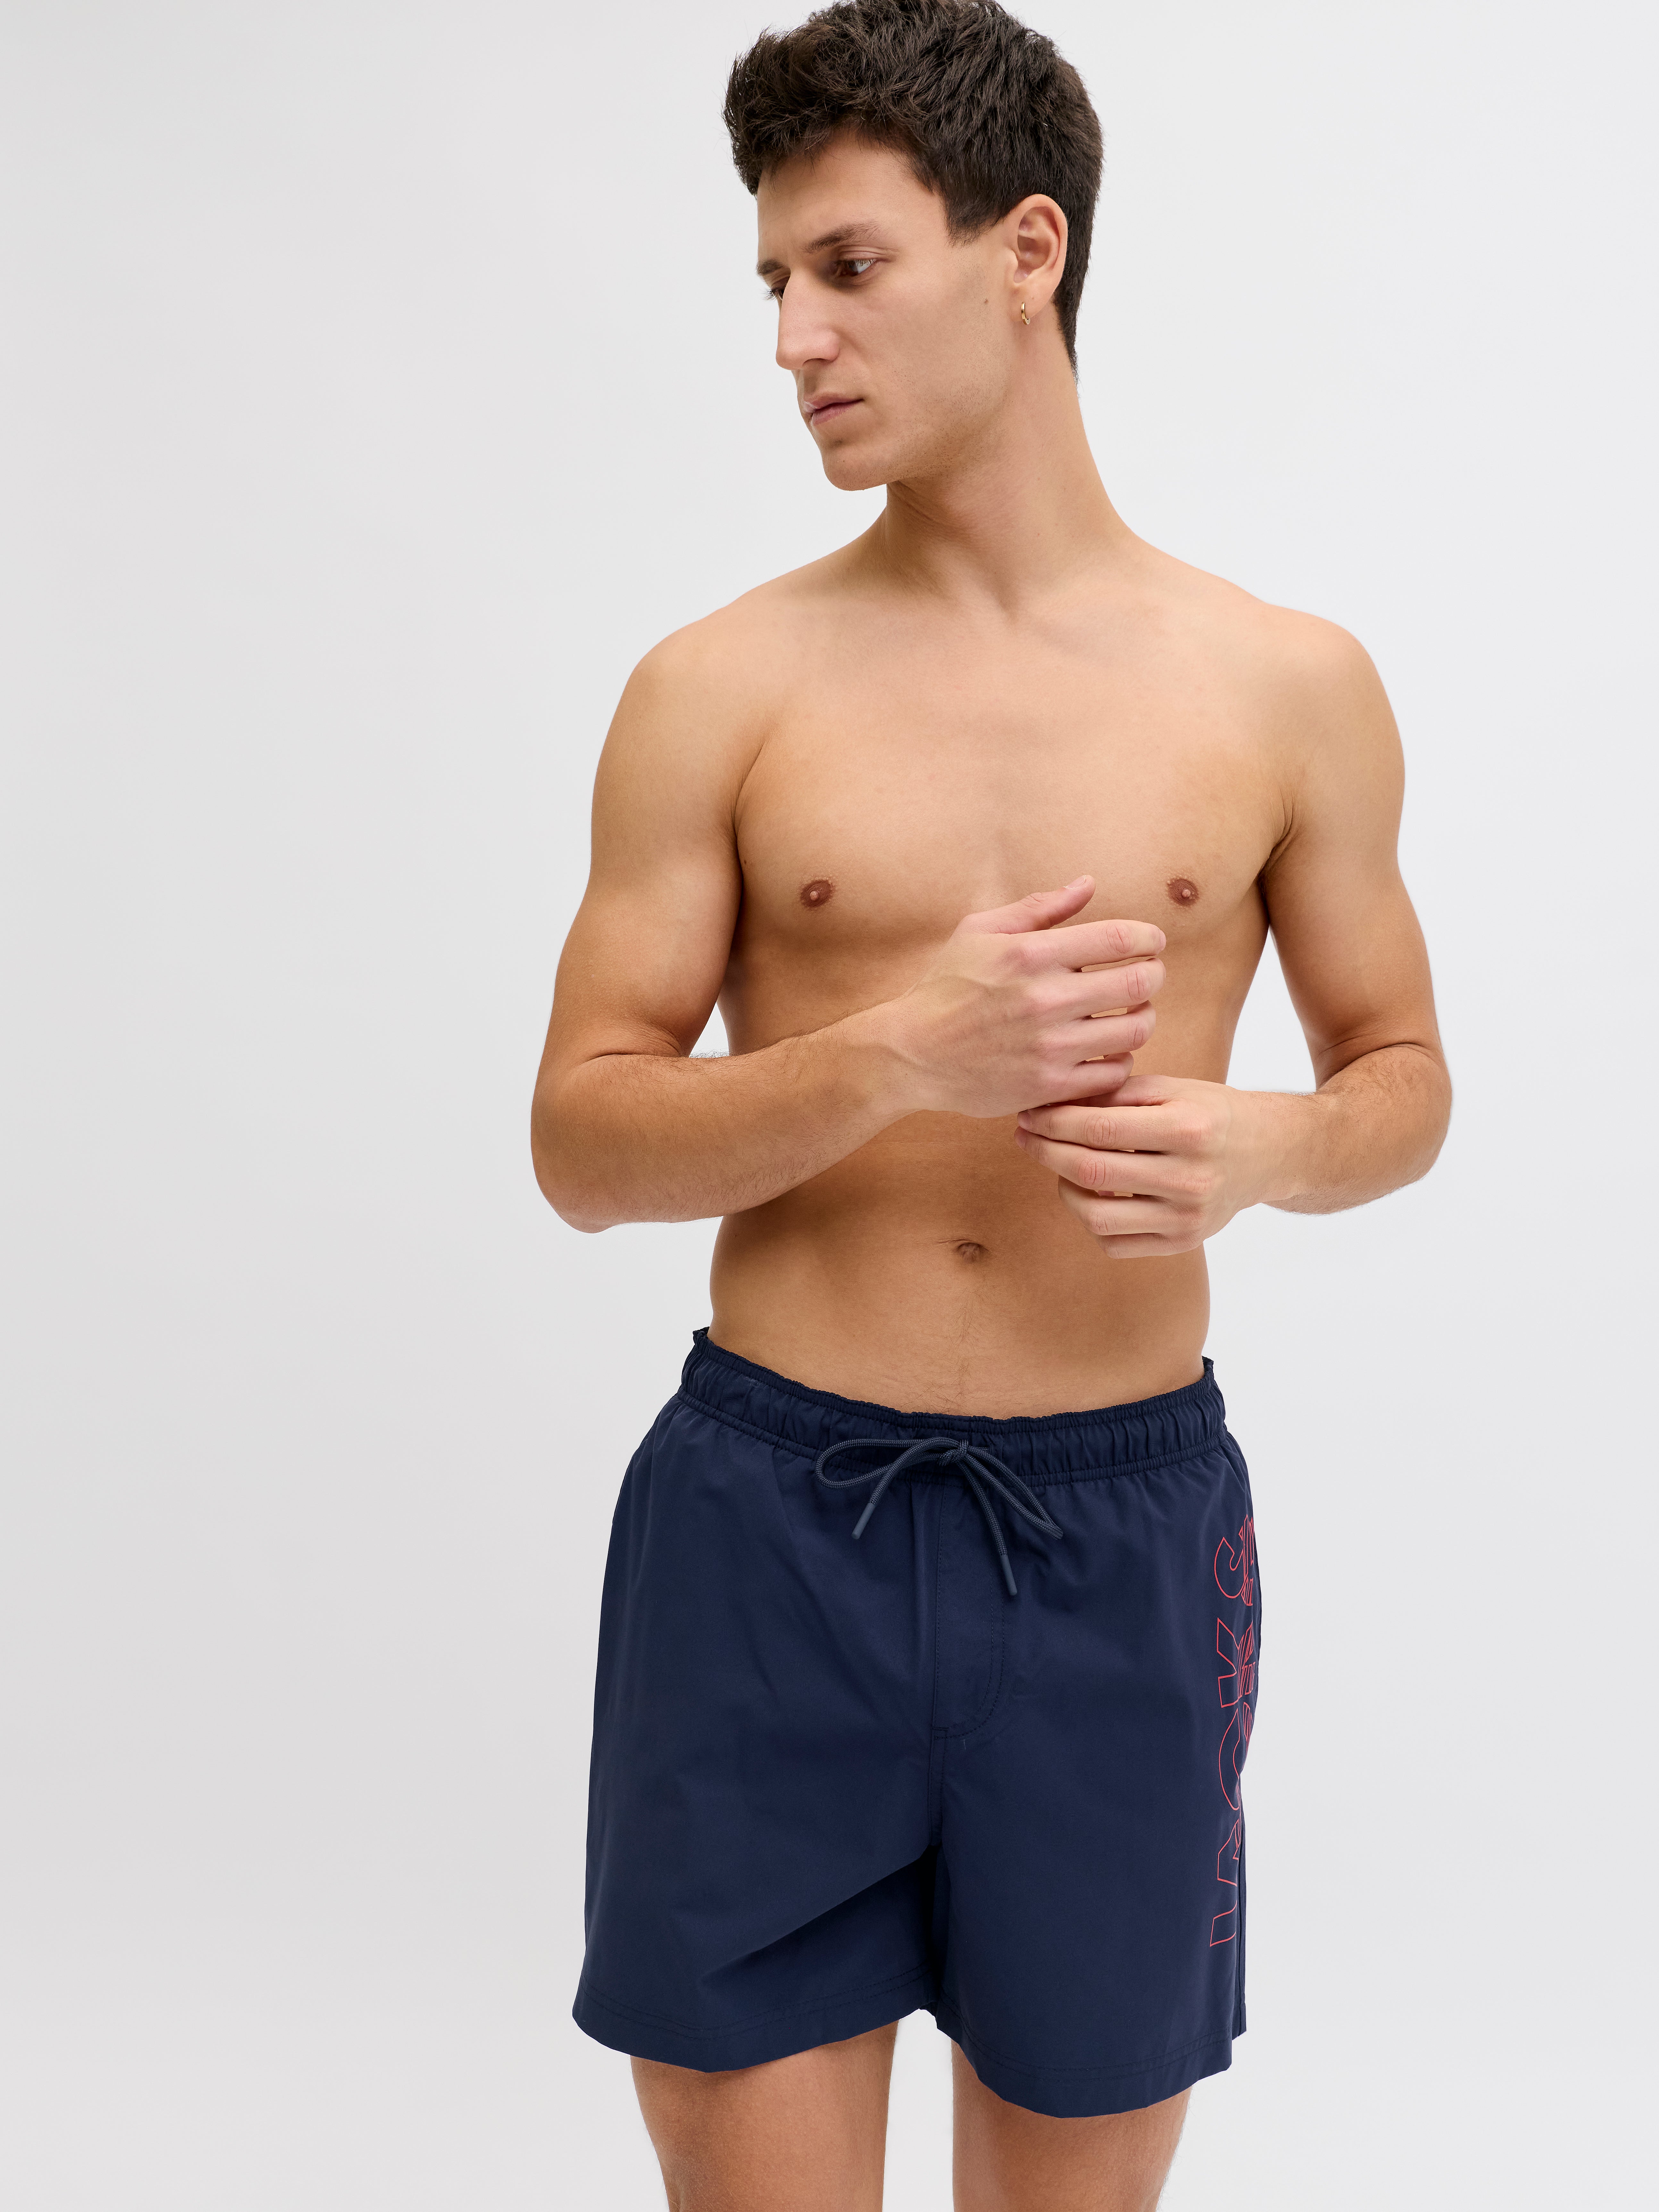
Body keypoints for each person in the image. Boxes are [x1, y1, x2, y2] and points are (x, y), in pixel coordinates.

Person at [531, 2, 1449, 2204]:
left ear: (1025, 250)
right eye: (774, 282)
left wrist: (1269, 1147)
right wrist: (892, 1054)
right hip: (772, 1524)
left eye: (847, 267)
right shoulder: (715, 688)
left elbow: (1400, 1079)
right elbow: (579, 1142)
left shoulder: (1284, 684)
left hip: (1118, 1536)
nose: (793, 339)